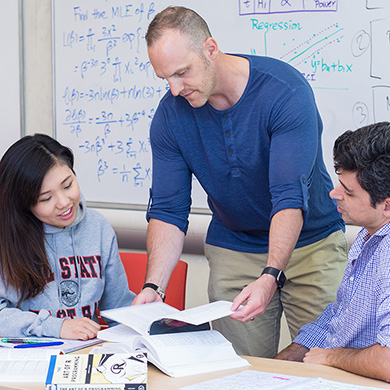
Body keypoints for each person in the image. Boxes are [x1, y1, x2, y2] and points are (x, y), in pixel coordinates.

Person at [133, 6, 347, 357]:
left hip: (312, 245)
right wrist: (155, 286)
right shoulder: (170, 117)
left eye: (182, 73)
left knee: (327, 363)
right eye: (165, 79)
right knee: (241, 371)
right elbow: (169, 210)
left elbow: (288, 197)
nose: (174, 89)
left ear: (211, 49)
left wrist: (271, 275)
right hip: (234, 246)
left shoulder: (284, 93)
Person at [275, 121, 390, 382]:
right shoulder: (369, 235)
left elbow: (388, 362)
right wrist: (283, 362)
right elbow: (340, 314)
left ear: (386, 206)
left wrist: (330, 356)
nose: (333, 193)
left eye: (348, 193)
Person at [0, 134, 135, 340]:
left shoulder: (97, 227)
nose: (64, 202)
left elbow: (118, 309)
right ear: (23, 204)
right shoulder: (8, 238)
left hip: (86, 354)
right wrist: (55, 327)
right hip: (30, 359)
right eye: (46, 198)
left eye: (68, 185)